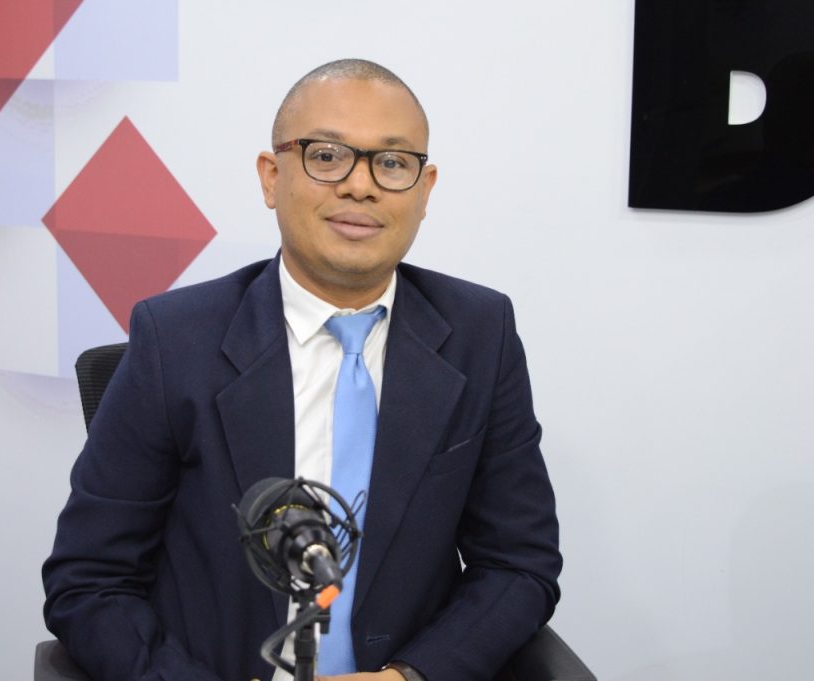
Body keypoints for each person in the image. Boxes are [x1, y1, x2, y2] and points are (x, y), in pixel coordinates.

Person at [43, 58, 562, 681]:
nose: (361, 186)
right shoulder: (174, 341)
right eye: (327, 156)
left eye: (392, 162)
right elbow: (89, 583)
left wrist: (412, 677)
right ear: (271, 177)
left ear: (424, 190)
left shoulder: (481, 334)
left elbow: (518, 565)